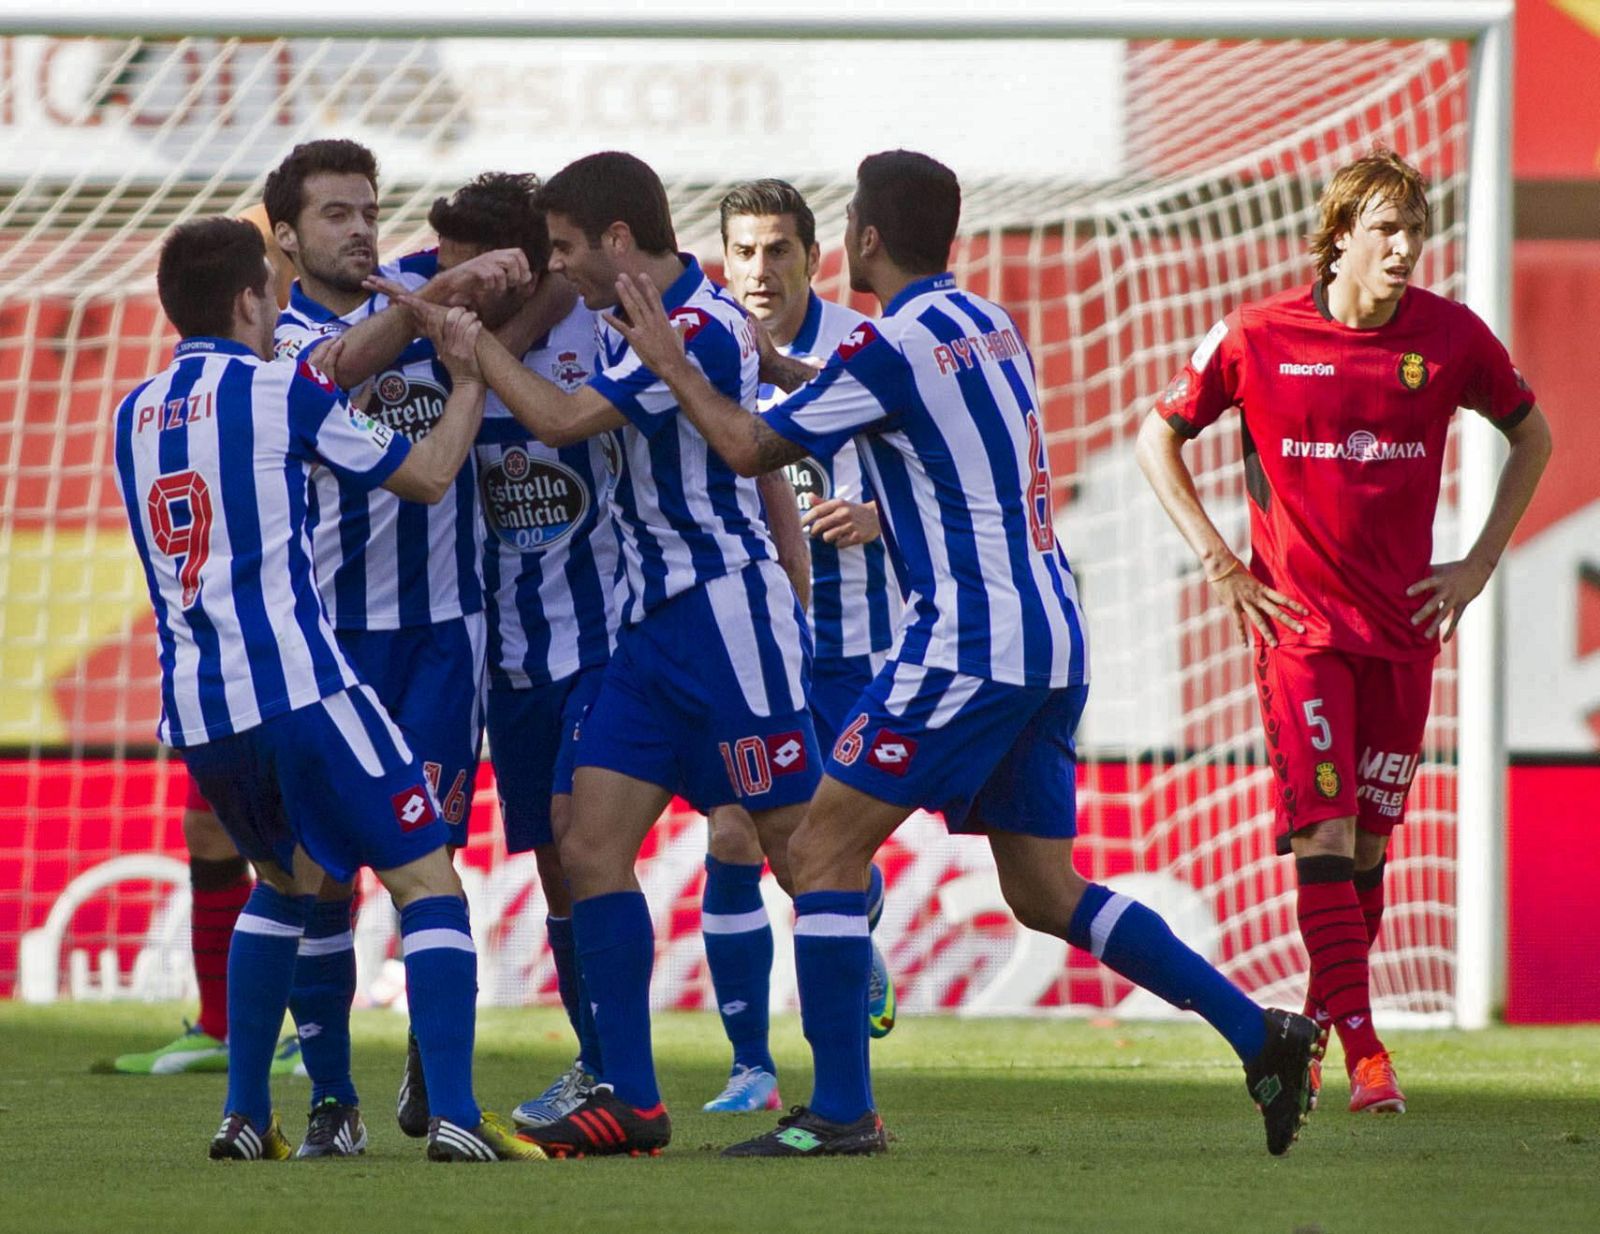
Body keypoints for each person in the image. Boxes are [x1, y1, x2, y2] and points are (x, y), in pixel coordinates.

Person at [604, 148, 1321, 1159]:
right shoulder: (985, 323)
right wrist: (783, 371)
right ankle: (1262, 1032)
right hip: (1050, 636)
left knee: (814, 850)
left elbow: (743, 448)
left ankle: (841, 1111)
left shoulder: (889, 349)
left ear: (857, 238)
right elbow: (882, 400)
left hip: (966, 644)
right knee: (1042, 890)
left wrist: (672, 361)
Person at [390, 151, 820, 1158]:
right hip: (638, 635)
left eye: (568, 249)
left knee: (800, 852)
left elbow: (562, 419)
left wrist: (467, 343)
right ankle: (630, 1093)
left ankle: (844, 1092)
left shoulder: (697, 326)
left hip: (720, 614)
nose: (560, 266)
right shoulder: (630, 317)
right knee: (583, 847)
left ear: (616, 241)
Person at [112, 216, 538, 1162]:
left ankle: (247, 1112)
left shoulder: (130, 415)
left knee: (283, 885)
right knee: (428, 879)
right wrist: (467, 379)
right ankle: (459, 1117)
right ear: (247, 301)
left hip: (202, 710)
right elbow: (428, 476)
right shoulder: (278, 391)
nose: (277, 311)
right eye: (269, 292)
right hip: (300, 685)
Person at [1135, 149, 1552, 1114]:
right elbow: (1161, 435)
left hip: (1404, 632)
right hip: (1301, 632)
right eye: (1386, 232)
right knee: (1324, 831)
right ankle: (1369, 1056)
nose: (1407, 249)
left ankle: (1312, 1034)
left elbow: (1533, 434)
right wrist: (1221, 562)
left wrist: (1480, 561)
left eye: (1416, 229)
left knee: (1367, 853)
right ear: (1339, 240)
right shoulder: (1257, 336)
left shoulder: (1450, 340)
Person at [263, 139, 538, 1152]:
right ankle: (332, 1101)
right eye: (335, 213)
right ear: (286, 238)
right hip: (330, 643)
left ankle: (442, 1088)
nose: (360, 229)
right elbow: (336, 367)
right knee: (317, 874)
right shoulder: (279, 336)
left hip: (439, 638)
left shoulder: (427, 286)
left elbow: (528, 282)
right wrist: (436, 294)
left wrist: (499, 269)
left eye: (369, 210)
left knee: (429, 862)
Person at [404, 171, 618, 1127]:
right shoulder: (430, 311)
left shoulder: (591, 327)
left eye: (461, 262)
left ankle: (613, 1067)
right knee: (548, 860)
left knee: (582, 842)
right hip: (507, 655)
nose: (442, 273)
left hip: (611, 635)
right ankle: (578, 1058)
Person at [693, 180, 902, 1115]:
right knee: (733, 833)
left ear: (815, 256)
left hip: (864, 645)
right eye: (744, 250)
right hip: (753, 640)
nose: (760, 269)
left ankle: (855, 924)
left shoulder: (860, 350)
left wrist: (878, 515)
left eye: (779, 249)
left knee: (825, 849)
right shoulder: (707, 348)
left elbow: (946, 467)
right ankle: (752, 1067)